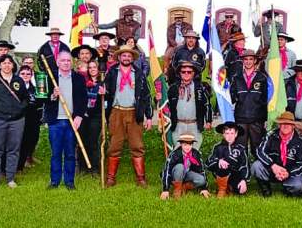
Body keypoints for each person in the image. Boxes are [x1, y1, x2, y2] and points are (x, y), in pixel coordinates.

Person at [104, 45, 153, 188]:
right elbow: (105, 91)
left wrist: (149, 117)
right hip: (116, 112)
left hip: (133, 113)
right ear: (119, 57)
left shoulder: (139, 74)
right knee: (115, 145)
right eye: (123, 55)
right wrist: (102, 91)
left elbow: (146, 96)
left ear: (132, 58)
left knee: (137, 145)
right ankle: (111, 178)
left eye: (129, 56)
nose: (126, 58)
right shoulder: (112, 72)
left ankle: (141, 178)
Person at [0, 54, 30, 189]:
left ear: (13, 65)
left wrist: (20, 109)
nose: (7, 65)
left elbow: (26, 98)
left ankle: (10, 178)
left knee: (13, 150)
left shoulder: (18, 81)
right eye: (4, 63)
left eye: (9, 63)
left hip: (16, 121)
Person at [43, 52, 87, 189]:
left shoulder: (79, 78)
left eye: (68, 60)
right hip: (55, 121)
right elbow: (43, 99)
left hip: (71, 121)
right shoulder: (51, 78)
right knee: (56, 153)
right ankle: (54, 181)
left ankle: (69, 181)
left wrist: (79, 116)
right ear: (57, 62)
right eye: (63, 60)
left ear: (72, 62)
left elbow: (83, 100)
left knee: (69, 153)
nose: (66, 63)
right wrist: (53, 96)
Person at [251, 112, 302, 197]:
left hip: (288, 174)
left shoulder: (300, 142)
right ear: (279, 125)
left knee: (298, 185)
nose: (285, 126)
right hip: (272, 170)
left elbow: (301, 164)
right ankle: (266, 190)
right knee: (256, 166)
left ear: (293, 126)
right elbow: (260, 151)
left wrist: (288, 173)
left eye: (288, 124)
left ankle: (287, 190)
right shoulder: (270, 135)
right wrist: (273, 166)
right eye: (283, 123)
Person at [229, 49, 269, 157]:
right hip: (240, 118)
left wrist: (266, 119)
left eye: (251, 59)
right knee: (240, 148)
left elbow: (266, 100)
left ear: (255, 60)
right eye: (245, 59)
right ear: (242, 61)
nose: (248, 62)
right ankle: (243, 171)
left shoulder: (262, 78)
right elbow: (231, 98)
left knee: (257, 147)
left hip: (257, 119)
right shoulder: (236, 77)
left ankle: (257, 171)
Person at [165, 62, 212, 149]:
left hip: (194, 125)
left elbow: (207, 105)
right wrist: (158, 98)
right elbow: (165, 104)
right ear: (179, 73)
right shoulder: (173, 88)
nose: (186, 74)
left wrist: (208, 120)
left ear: (194, 73)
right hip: (178, 125)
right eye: (183, 72)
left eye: (189, 72)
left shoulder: (200, 88)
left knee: (194, 151)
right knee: (179, 152)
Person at [160, 134, 211, 200]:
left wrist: (204, 188)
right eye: (185, 145)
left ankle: (184, 187)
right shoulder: (175, 154)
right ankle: (177, 189)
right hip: (175, 175)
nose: (188, 147)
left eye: (190, 144)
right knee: (180, 166)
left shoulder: (196, 153)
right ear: (181, 144)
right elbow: (167, 170)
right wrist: (165, 189)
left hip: (187, 174)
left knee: (201, 180)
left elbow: (202, 170)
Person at [206, 122, 250, 197]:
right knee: (223, 165)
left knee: (240, 190)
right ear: (223, 134)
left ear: (236, 134)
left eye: (232, 133)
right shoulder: (217, 147)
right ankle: (222, 190)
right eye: (227, 133)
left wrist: (243, 180)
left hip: (235, 175)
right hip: (221, 173)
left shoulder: (241, 149)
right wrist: (218, 161)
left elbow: (244, 166)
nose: (229, 136)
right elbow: (208, 164)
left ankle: (229, 187)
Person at [78, 60, 104, 174]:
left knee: (93, 141)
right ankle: (83, 167)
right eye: (90, 67)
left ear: (98, 69)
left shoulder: (102, 83)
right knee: (82, 141)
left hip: (96, 115)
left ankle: (94, 168)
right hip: (83, 115)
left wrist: (105, 94)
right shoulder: (83, 81)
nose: (92, 69)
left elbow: (107, 99)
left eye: (94, 67)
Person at [17, 65, 44, 172]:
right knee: (18, 143)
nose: (25, 76)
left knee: (28, 142)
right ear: (18, 75)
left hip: (33, 120)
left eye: (28, 74)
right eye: (23, 74)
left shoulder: (35, 88)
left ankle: (20, 167)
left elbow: (41, 102)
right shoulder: (15, 87)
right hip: (19, 119)